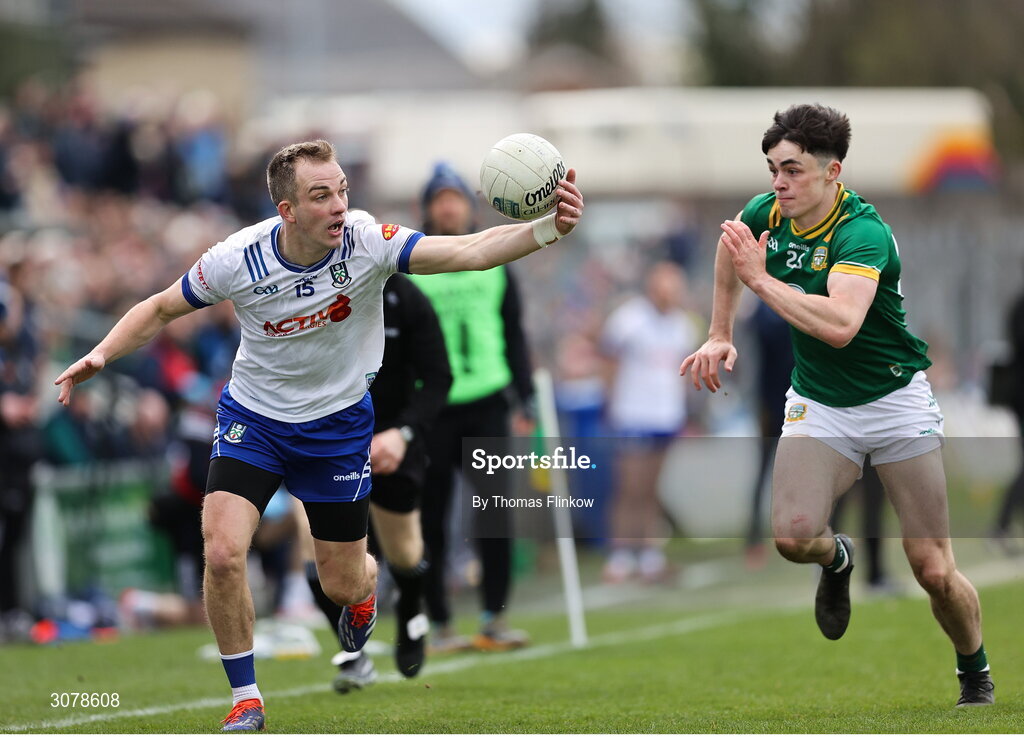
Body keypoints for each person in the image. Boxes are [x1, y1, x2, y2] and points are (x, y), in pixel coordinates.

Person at [54, 140, 584, 731]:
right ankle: (246, 697)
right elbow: (157, 309)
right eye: (320, 195)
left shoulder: (366, 241)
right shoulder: (237, 259)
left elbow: (470, 249)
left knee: (340, 580)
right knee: (225, 552)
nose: (338, 205)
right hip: (253, 420)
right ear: (285, 210)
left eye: (342, 191)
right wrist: (100, 354)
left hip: (337, 426)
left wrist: (546, 230)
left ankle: (364, 592)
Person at [679, 104, 994, 707]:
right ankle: (839, 557)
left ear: (833, 172)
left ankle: (973, 669)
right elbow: (733, 248)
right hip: (821, 404)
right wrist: (721, 330)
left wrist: (761, 282)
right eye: (773, 169)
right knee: (794, 537)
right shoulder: (768, 212)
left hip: (896, 402)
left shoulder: (863, 233)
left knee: (932, 568)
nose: (778, 183)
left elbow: (843, 324)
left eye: (792, 170)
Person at [297, 272, 452, 692]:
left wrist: (402, 435)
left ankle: (410, 614)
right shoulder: (306, 288)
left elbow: (439, 378)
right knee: (315, 561)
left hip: (389, 438)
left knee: (405, 555)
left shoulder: (407, 297)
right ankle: (354, 654)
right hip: (322, 436)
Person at [409, 163, 537, 653]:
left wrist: (523, 397)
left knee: (495, 515)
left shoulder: (494, 261)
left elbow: (514, 334)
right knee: (431, 520)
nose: (448, 206)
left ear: (468, 204)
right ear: (428, 207)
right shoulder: (414, 262)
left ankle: (494, 618)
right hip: (433, 408)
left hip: (487, 403)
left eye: (455, 197)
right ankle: (438, 622)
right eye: (439, 197)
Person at [600, 261, 699, 583]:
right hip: (633, 413)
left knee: (653, 487)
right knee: (630, 487)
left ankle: (648, 553)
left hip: (665, 415)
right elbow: (610, 362)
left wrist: (684, 411)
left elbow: (682, 374)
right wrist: (612, 404)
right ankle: (621, 554)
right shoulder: (629, 320)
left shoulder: (684, 325)